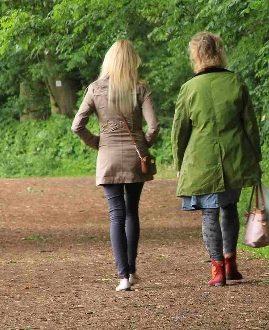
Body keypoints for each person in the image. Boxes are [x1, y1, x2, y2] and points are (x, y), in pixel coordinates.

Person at [172, 32, 262, 286]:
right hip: (234, 157)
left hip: (202, 161)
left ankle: (217, 270)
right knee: (229, 208)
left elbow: (179, 131)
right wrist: (256, 157)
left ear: (196, 56)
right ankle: (231, 262)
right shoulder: (235, 82)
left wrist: (179, 164)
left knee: (209, 213)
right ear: (220, 52)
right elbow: (251, 126)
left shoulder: (189, 89)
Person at [72, 39, 159, 291]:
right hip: (135, 158)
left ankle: (122, 276)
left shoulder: (95, 89)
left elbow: (77, 125)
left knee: (116, 214)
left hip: (108, 157)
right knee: (132, 212)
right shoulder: (140, 88)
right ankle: (131, 272)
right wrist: (145, 145)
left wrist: (96, 142)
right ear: (133, 61)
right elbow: (154, 126)